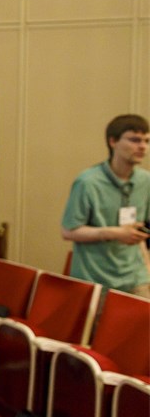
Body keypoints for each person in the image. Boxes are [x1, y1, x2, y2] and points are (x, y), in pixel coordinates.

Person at [61, 114, 150, 298]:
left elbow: (140, 232)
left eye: (146, 141)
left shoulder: (145, 181)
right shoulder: (88, 182)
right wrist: (113, 233)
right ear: (113, 141)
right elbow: (68, 231)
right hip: (95, 279)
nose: (142, 146)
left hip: (135, 278)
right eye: (134, 140)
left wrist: (147, 270)